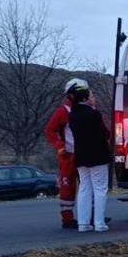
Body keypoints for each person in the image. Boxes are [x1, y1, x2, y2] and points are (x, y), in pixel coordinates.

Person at [45, 78, 89, 229]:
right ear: (71, 94)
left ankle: (90, 215)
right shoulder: (63, 111)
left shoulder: (88, 109)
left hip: (85, 153)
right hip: (69, 155)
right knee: (67, 185)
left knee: (87, 186)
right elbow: (49, 130)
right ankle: (67, 218)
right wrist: (59, 146)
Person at [70, 90, 112, 233]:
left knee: (84, 189)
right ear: (86, 98)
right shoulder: (93, 114)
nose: (94, 98)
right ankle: (99, 222)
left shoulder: (72, 114)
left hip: (81, 156)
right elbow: (104, 133)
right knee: (100, 189)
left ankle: (83, 223)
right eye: (92, 96)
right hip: (98, 156)